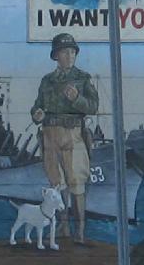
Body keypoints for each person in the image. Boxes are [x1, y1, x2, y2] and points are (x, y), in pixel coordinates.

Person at [30, 31, 99, 243]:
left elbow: (93, 107)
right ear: (55, 56)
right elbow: (37, 106)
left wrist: (77, 99)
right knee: (57, 183)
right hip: (50, 136)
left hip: (73, 134)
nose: (69, 56)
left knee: (76, 182)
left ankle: (79, 232)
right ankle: (63, 228)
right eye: (64, 52)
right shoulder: (47, 81)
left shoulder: (83, 79)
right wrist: (37, 114)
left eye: (72, 52)